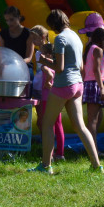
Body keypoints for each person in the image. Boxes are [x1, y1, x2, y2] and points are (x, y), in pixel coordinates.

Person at [27, 9, 102, 174]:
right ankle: (96, 165)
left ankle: (46, 166)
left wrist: (43, 61)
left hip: (63, 85)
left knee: (47, 124)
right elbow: (80, 66)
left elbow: (59, 67)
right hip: (77, 85)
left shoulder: (60, 38)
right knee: (80, 126)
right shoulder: (76, 36)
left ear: (54, 24)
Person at [29, 25, 65, 162]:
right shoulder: (52, 50)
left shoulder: (42, 53)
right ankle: (58, 152)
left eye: (35, 38)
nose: (33, 41)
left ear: (42, 37)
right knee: (55, 122)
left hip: (45, 89)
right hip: (49, 87)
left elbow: (45, 68)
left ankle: (50, 153)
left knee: (48, 122)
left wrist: (49, 75)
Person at [82, 27, 104, 154]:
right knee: (93, 120)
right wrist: (102, 88)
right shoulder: (97, 50)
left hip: (89, 84)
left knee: (98, 117)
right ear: (101, 39)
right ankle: (93, 150)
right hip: (94, 84)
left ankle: (91, 143)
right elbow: (96, 70)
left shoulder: (90, 48)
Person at [0, 6, 35, 80]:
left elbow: (28, 58)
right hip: (9, 67)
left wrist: (16, 65)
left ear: (19, 17)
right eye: (7, 20)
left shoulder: (28, 33)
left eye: (11, 20)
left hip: (25, 66)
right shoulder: (3, 33)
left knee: (29, 76)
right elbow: (3, 54)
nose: (9, 23)